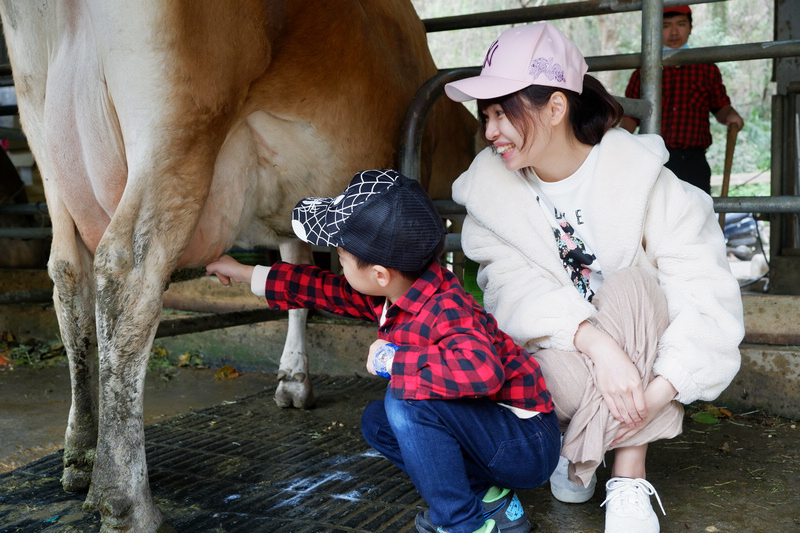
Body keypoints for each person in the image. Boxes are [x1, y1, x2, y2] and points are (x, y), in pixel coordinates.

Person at [445, 22, 743, 533]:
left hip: (644, 355)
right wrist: (598, 346)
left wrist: (658, 392)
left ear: (556, 107)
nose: (490, 131)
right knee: (551, 356)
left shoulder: (646, 180)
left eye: (503, 112)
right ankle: (594, 440)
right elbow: (512, 295)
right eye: (487, 114)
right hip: (564, 358)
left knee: (632, 285)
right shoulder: (490, 195)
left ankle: (622, 473)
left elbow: (705, 294)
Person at [205, 169, 560, 533]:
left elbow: (483, 371)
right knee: (379, 422)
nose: (338, 264)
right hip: (493, 436)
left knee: (404, 402)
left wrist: (393, 359)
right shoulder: (398, 292)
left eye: (340, 256)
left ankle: (460, 523)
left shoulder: (445, 308)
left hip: (526, 443)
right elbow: (320, 288)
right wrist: (246, 272)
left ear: (378, 274)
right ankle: (490, 501)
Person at [621, 5, 745, 194]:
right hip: (655, 160)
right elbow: (630, 119)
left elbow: (721, 108)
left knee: (698, 216)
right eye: (666, 26)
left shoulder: (705, 68)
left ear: (690, 27)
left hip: (694, 161)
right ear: (654, 29)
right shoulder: (643, 72)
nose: (674, 32)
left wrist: (731, 115)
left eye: (681, 24)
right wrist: (615, 138)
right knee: (657, 217)